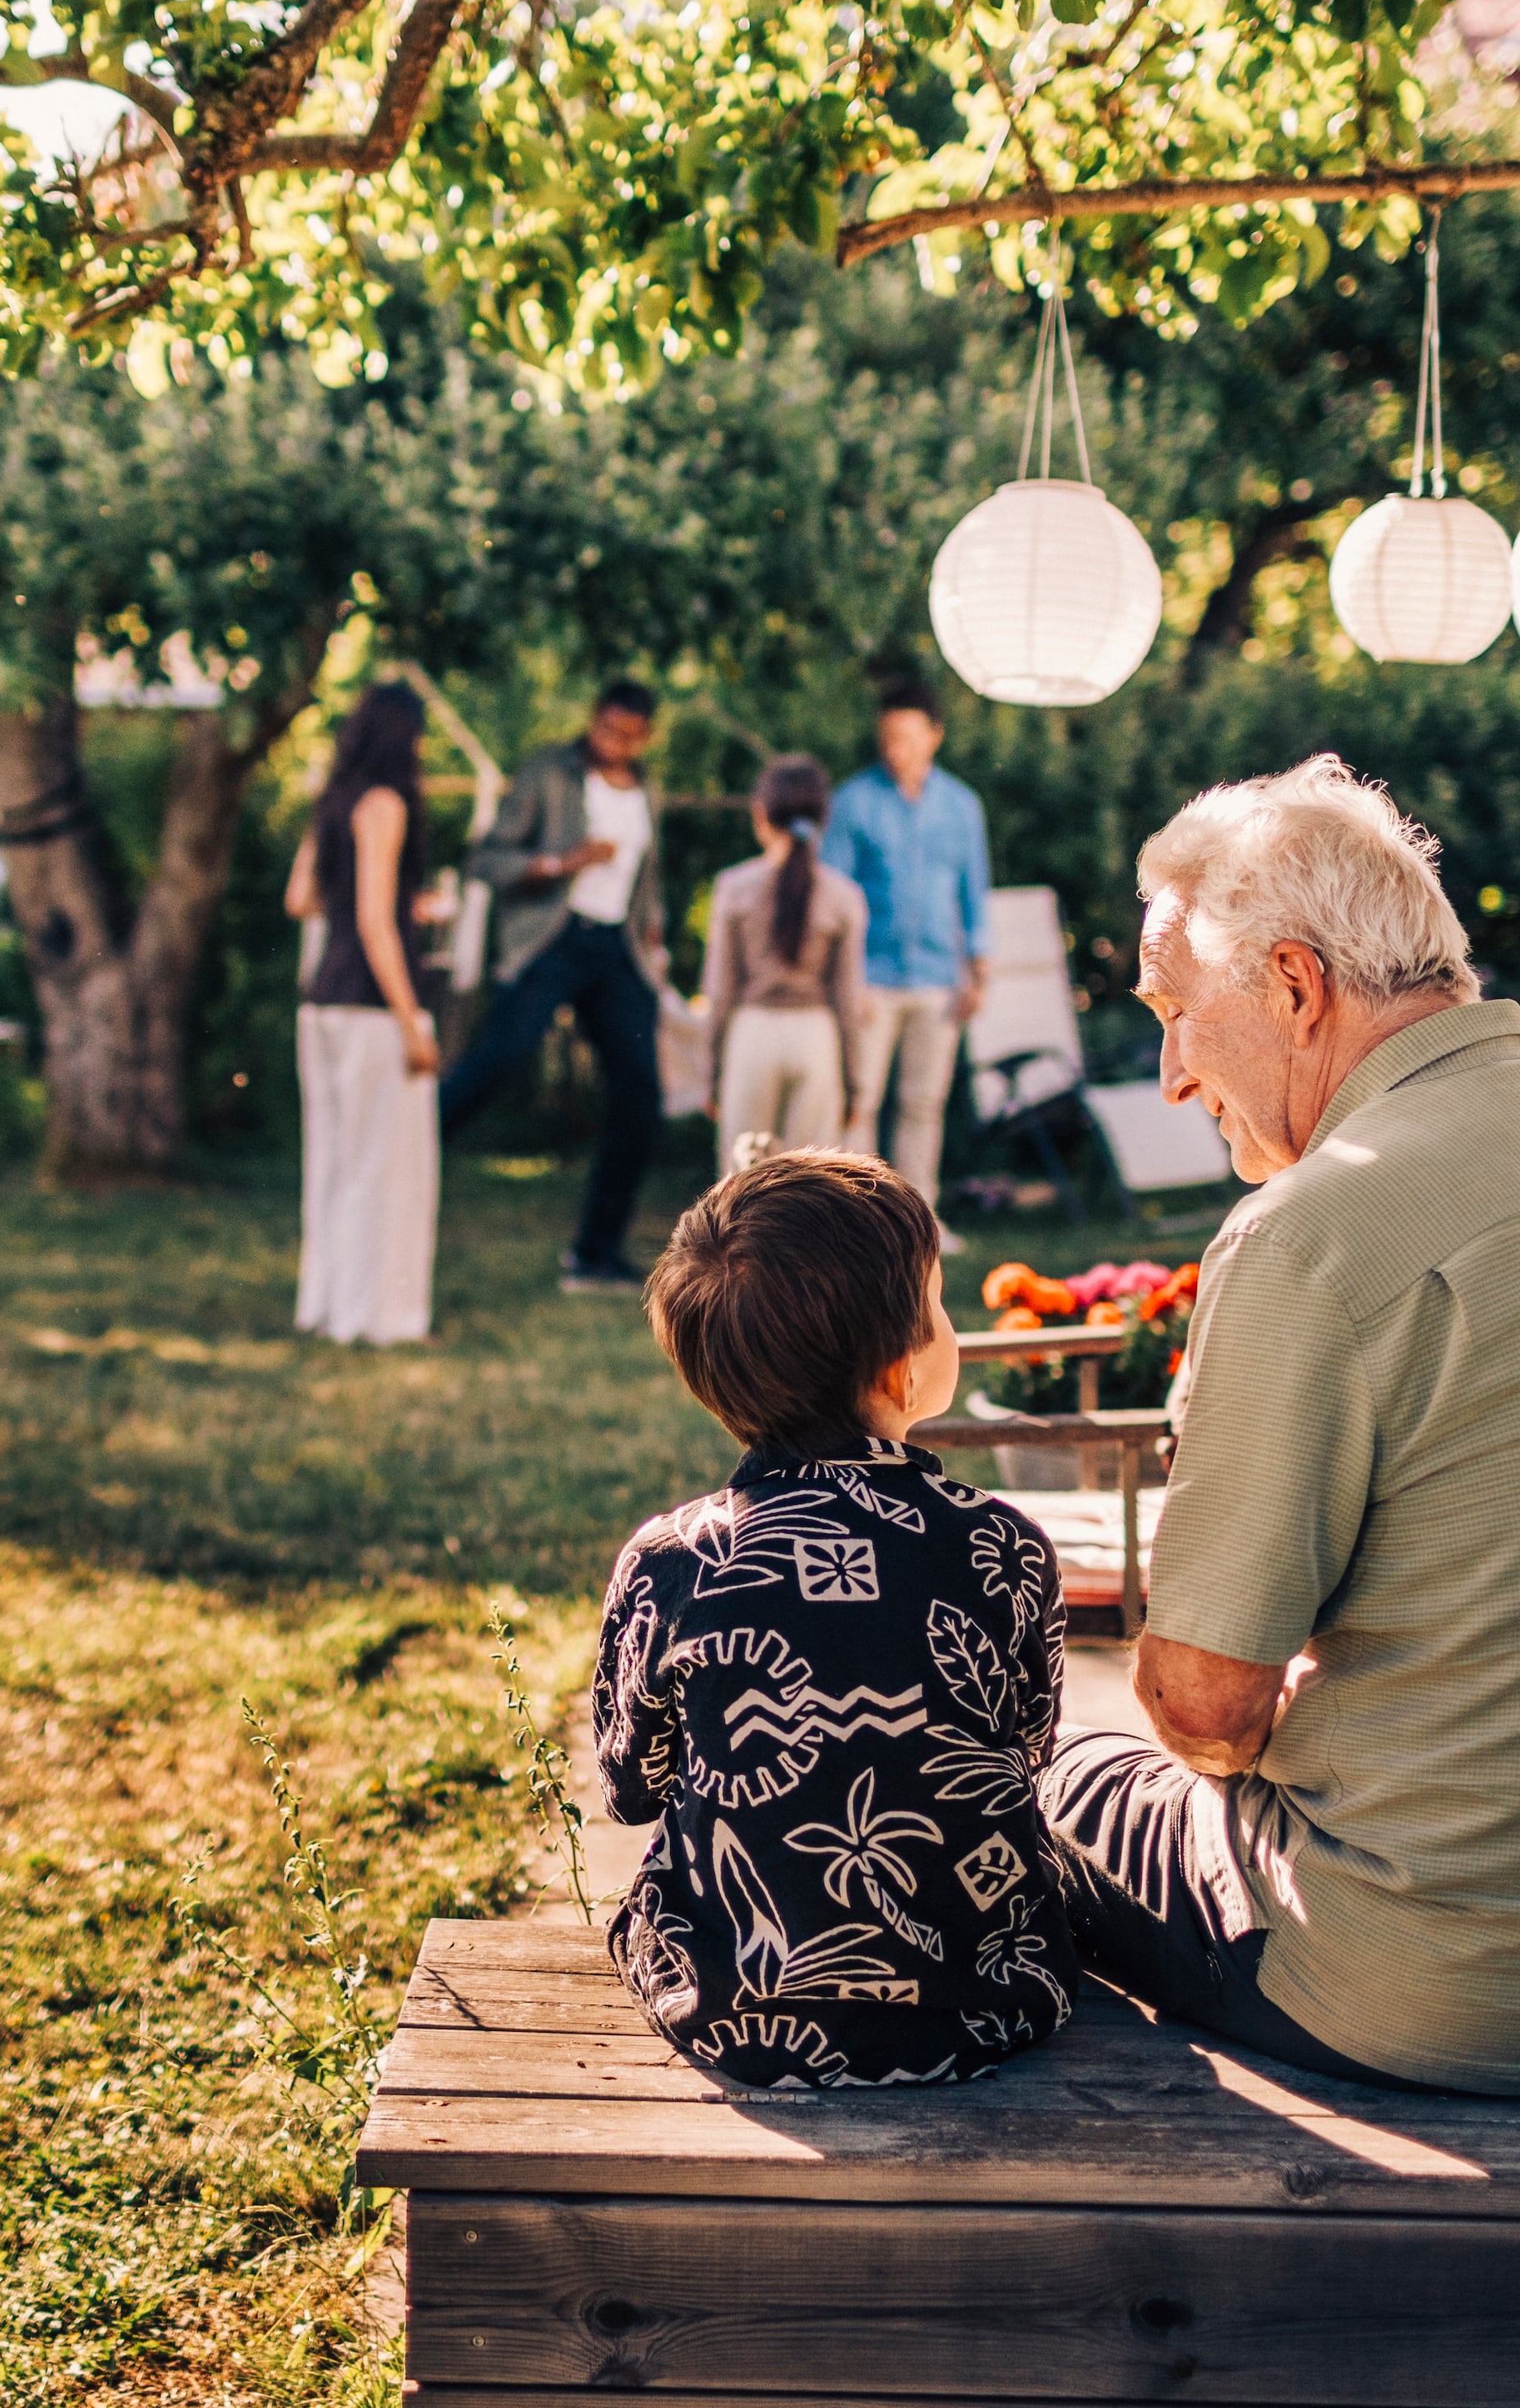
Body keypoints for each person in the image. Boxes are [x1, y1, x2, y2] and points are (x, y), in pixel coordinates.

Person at [1040, 755, 1520, 2095]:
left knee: (1059, 1769)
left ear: (1297, 987)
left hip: (1442, 1987)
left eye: (1176, 1014)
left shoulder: (1308, 1231)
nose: (1172, 1075)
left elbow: (1203, 1702)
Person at [597, 1149, 1073, 2088]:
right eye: (939, 1300)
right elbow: (1024, 1749)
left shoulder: (668, 1562)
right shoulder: (1004, 1545)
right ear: (901, 1371)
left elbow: (631, 1789)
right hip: (993, 1999)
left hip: (735, 2012)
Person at [443, 678, 668, 1291]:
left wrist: (654, 934)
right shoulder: (547, 772)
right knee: (497, 1061)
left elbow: (648, 880)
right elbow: (487, 859)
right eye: (606, 729)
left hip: (618, 949)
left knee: (641, 1095)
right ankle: (402, 1162)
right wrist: (560, 862)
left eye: (629, 736)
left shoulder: (648, 788)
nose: (614, 743)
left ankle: (596, 1252)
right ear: (593, 718)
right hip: (551, 942)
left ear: (646, 737)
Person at [286, 682, 440, 1344]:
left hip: (322, 1003)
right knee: (384, 1167)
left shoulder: (333, 800)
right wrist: (412, 1022)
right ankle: (378, 1318)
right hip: (373, 1010)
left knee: (332, 1163)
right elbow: (376, 922)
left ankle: (328, 1307)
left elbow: (300, 898)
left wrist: (390, 904)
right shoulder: (385, 803)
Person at [822, 679, 993, 1228]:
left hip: (939, 977)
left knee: (924, 1105)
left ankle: (920, 1223)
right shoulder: (852, 802)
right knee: (861, 1100)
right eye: (888, 737)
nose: (896, 748)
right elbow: (833, 894)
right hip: (870, 977)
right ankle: (858, 1223)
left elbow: (973, 890)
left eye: (907, 737)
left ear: (934, 736)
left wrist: (978, 970)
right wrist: (846, 980)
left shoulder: (962, 805)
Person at [699, 755, 872, 1170]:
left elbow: (720, 990)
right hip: (817, 1039)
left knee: (742, 1183)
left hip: (752, 1035)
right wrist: (854, 1086)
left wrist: (711, 1074)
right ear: (823, 819)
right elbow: (848, 999)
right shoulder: (844, 896)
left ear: (761, 814)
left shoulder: (733, 888)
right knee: (810, 1185)